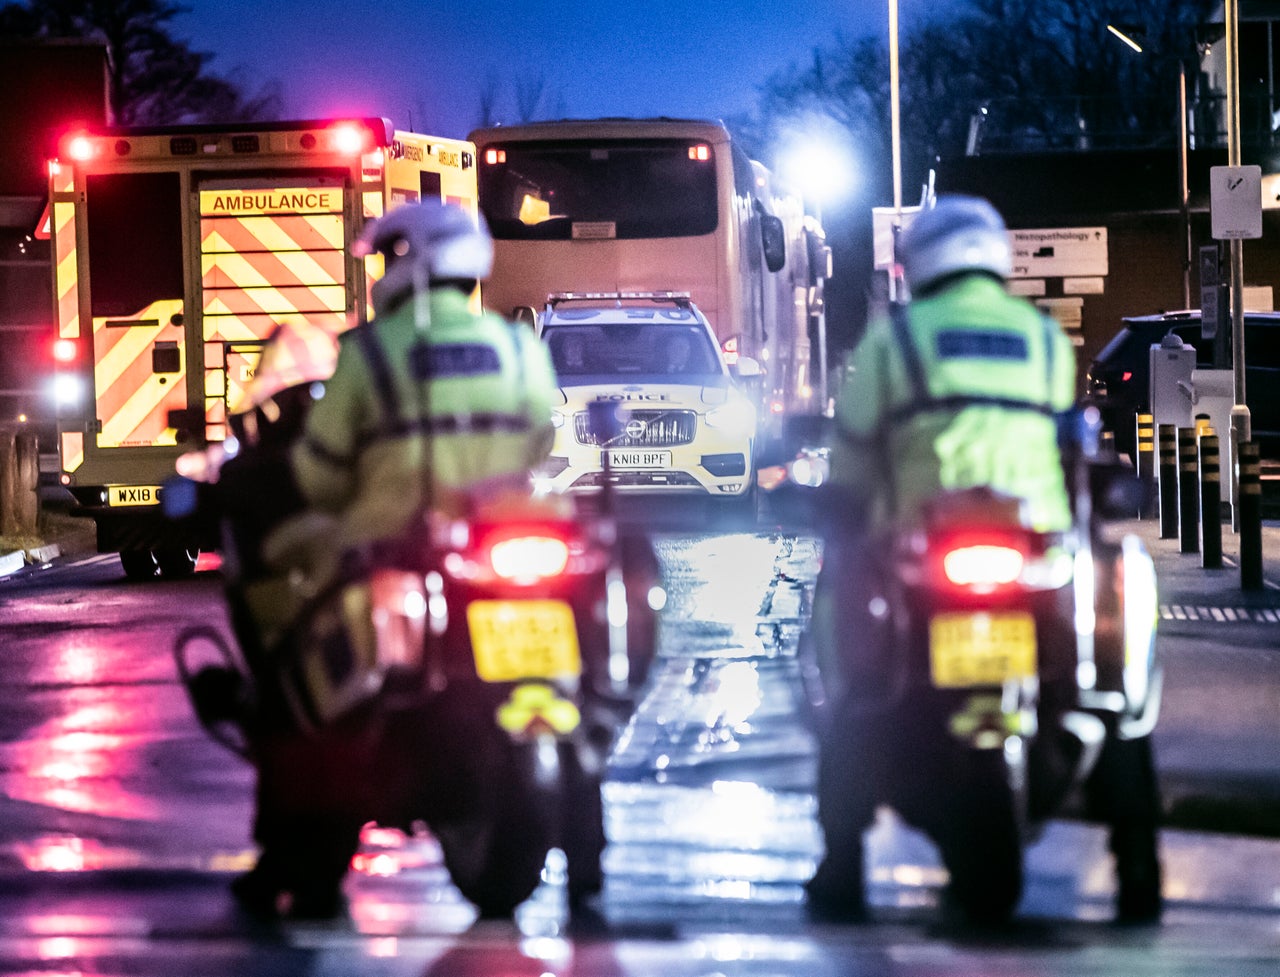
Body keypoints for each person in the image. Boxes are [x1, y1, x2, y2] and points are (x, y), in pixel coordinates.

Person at [804, 195, 1162, 925]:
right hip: (1036, 556)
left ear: (922, 264)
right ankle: (1140, 871)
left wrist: (842, 509)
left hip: (923, 558)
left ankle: (841, 864)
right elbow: (1072, 448)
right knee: (1117, 698)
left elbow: (853, 459)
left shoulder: (893, 343)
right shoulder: (1040, 337)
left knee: (852, 677)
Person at [291, 199, 559, 554]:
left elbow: (323, 473)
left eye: (389, 259)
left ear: (409, 262)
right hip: (504, 539)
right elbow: (540, 444)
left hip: (391, 546)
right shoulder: (520, 346)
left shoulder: (369, 352)